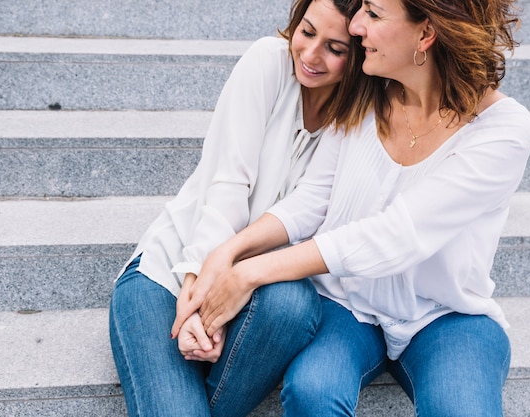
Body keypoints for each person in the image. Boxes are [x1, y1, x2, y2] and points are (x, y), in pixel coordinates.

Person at [175, 0, 530, 415]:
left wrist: (251, 272)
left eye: (374, 13)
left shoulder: (503, 130)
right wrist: (228, 251)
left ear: (425, 34)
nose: (357, 25)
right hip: (348, 305)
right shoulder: (369, 92)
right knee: (313, 390)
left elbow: (396, 235)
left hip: (444, 315)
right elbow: (315, 198)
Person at [108, 0, 371, 415]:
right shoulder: (268, 61)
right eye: (306, 31)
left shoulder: (358, 115)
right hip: (170, 273)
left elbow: (309, 206)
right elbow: (229, 183)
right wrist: (197, 289)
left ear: (360, 55)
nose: (310, 55)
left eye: (335, 49)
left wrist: (224, 297)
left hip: (257, 295)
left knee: (295, 305)